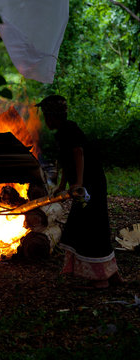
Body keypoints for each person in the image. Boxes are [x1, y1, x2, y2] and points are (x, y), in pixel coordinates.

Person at [36, 94, 123, 289]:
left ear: (53, 116)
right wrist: (62, 184)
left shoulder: (70, 130)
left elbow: (78, 153)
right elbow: (67, 162)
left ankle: (100, 279)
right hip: (85, 182)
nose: (45, 120)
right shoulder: (62, 132)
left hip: (91, 183)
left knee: (90, 225)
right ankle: (112, 274)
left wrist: (80, 182)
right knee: (95, 223)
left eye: (46, 116)